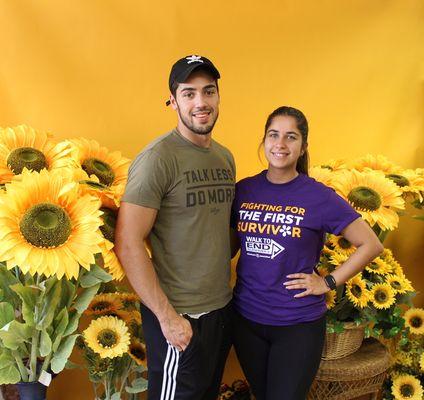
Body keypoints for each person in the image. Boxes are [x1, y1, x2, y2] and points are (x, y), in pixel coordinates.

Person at [230, 106, 384, 400]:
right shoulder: (244, 190)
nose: (280, 144)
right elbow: (230, 247)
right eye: (274, 135)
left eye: (291, 137)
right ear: (264, 141)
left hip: (297, 325)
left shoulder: (318, 196)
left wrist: (327, 282)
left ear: (303, 147)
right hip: (247, 319)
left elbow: (371, 244)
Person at [115, 55, 235, 400]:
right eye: (189, 93)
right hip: (179, 316)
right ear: (173, 101)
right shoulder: (157, 159)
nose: (201, 102)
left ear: (218, 97)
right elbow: (128, 243)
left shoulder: (224, 157)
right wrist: (168, 319)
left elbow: (216, 232)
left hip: (219, 311)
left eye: (208, 92)